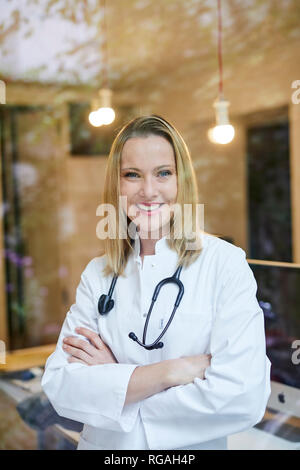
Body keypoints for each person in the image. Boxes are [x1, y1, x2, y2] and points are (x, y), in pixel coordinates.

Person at [42, 115, 271, 450]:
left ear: (182, 181)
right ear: (116, 186)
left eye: (163, 173)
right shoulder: (98, 274)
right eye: (132, 175)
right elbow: (62, 385)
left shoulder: (224, 264)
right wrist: (172, 372)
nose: (148, 191)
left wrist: (117, 383)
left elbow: (242, 395)